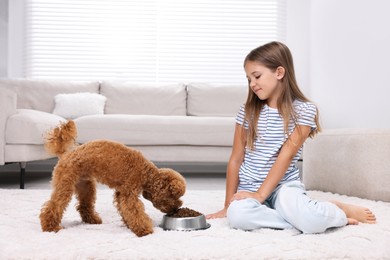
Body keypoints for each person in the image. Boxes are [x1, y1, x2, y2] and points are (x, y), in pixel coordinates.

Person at [206, 41, 376, 233]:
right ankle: (308, 217)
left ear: (279, 72)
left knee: (308, 219)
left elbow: (285, 156)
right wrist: (228, 205)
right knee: (238, 217)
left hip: (283, 188)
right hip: (249, 188)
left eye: (257, 76)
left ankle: (336, 210)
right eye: (248, 79)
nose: (252, 84)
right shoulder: (247, 111)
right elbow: (236, 159)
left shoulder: (304, 110)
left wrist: (261, 195)